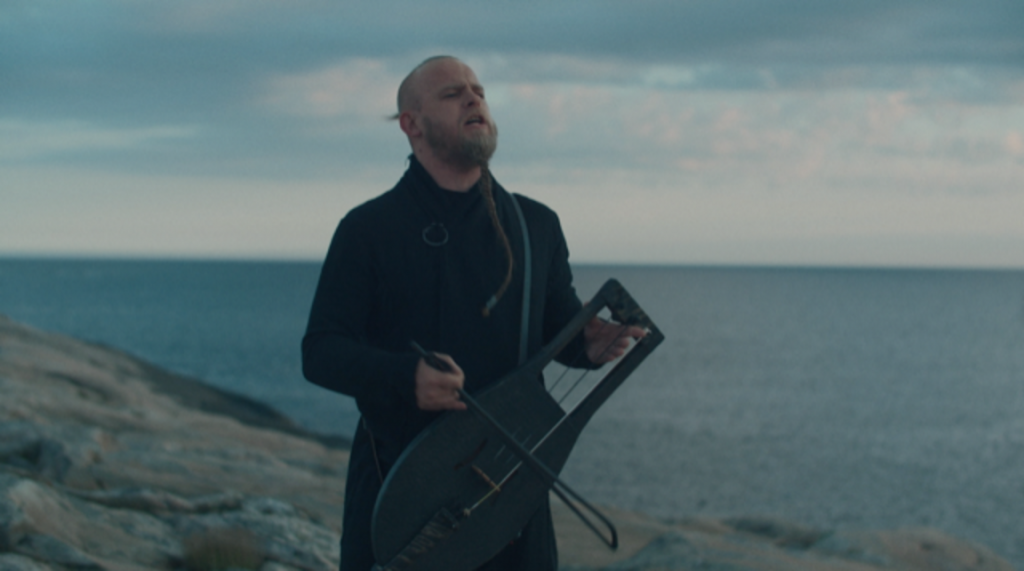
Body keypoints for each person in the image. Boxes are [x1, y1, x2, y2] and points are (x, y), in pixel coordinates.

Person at [302, 55, 643, 571]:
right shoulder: (368, 229)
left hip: (512, 495)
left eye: (479, 91)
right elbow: (321, 352)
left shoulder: (536, 224)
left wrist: (591, 344)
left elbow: (559, 327)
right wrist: (405, 377)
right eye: (452, 93)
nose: (473, 99)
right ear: (412, 125)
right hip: (401, 492)